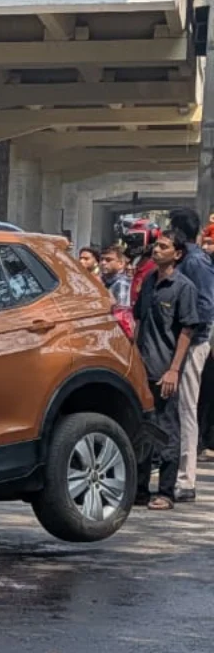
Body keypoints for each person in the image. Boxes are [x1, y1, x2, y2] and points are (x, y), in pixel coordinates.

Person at [135, 231, 203, 511]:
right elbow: (139, 321)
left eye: (164, 247)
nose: (157, 250)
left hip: (166, 370)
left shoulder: (183, 287)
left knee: (167, 431)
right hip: (143, 369)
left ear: (177, 254)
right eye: (156, 245)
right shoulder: (149, 281)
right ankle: (139, 490)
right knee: (142, 431)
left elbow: (187, 330)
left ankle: (165, 491)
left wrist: (174, 370)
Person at [166, 208, 214, 502]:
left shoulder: (195, 261)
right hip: (175, 343)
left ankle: (186, 479)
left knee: (186, 408)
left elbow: (206, 305)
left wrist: (189, 335)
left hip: (191, 343)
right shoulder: (183, 260)